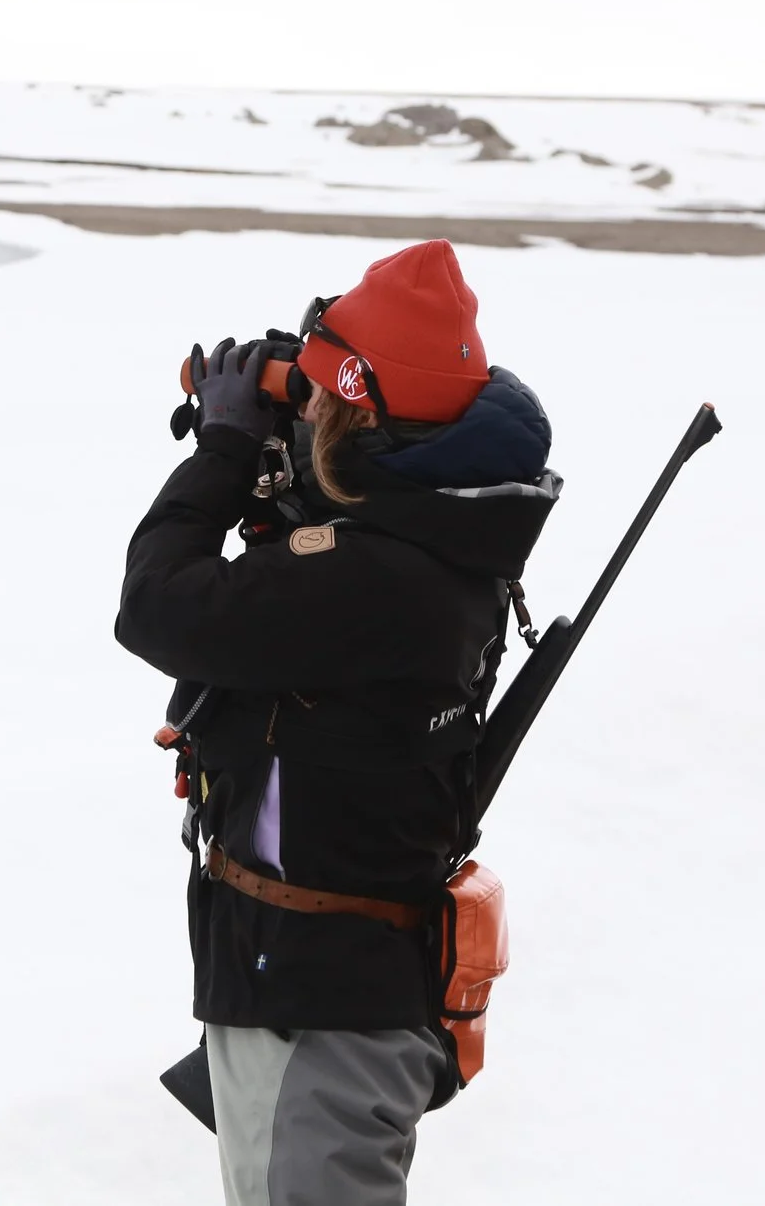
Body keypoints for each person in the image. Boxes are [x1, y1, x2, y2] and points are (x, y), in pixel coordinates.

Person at [116, 240, 558, 1206]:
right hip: (318, 989)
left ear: (361, 417)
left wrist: (226, 452)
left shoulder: (376, 581)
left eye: (320, 400)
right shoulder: (441, 530)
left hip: (317, 1017)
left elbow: (156, 604)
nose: (301, 410)